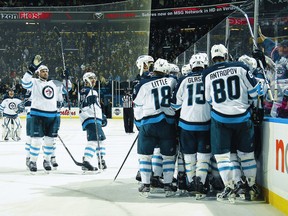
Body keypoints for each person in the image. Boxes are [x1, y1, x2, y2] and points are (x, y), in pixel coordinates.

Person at [203, 44, 262, 202]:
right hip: (243, 118)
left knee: (223, 157)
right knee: (247, 155)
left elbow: (209, 99)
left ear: (211, 57)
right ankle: (251, 187)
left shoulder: (207, 73)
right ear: (226, 54)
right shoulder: (241, 67)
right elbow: (255, 92)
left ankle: (230, 187)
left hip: (220, 120)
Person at [133, 58, 178, 197]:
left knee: (145, 156)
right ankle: (168, 185)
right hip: (167, 124)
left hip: (148, 124)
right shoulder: (172, 81)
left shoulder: (143, 84)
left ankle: (146, 185)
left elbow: (138, 105)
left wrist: (139, 124)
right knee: (168, 156)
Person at [172, 53, 211, 199]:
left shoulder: (183, 80)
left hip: (186, 124)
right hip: (205, 124)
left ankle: (191, 183)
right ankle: (200, 184)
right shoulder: (209, 77)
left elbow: (176, 104)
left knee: (189, 156)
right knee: (203, 156)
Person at [21, 56, 63, 173]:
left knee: (50, 141)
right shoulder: (34, 82)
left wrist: (66, 77)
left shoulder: (53, 84)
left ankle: (47, 160)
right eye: (43, 71)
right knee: (37, 140)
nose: (45, 73)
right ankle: (33, 161)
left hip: (52, 116)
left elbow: (66, 89)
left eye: (46, 71)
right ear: (38, 73)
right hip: (37, 114)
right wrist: (31, 68)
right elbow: (24, 83)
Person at [79, 72, 107, 171]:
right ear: (86, 79)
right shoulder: (89, 91)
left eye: (94, 78)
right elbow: (90, 103)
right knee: (94, 140)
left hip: (92, 117)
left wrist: (101, 116)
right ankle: (86, 161)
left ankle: (101, 160)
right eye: (91, 78)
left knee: (101, 139)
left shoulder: (88, 91)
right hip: (91, 117)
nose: (94, 80)